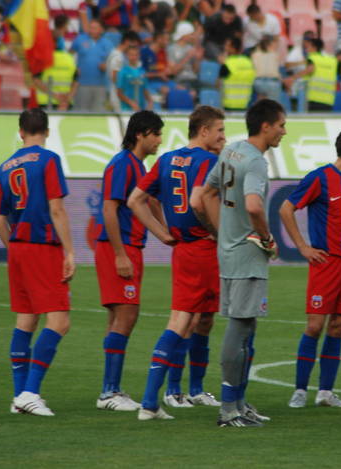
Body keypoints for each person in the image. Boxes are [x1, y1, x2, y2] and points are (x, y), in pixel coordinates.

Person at [128, 106, 226, 419]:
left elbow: (135, 200)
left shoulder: (166, 159)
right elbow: (199, 202)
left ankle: (172, 395)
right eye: (219, 130)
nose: (223, 136)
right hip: (202, 249)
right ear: (205, 131)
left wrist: (163, 235)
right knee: (183, 322)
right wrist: (217, 233)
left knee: (193, 320)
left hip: (183, 249)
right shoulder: (210, 161)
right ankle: (154, 399)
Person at [201, 99, 287, 427]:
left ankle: (238, 403)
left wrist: (223, 233)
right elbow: (253, 206)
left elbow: (203, 196)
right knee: (239, 329)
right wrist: (266, 239)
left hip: (230, 252)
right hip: (248, 255)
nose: (284, 131)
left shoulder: (231, 149)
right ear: (266, 127)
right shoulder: (256, 163)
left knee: (246, 327)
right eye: (281, 125)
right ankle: (227, 409)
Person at [0, 108, 75, 417]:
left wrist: (13, 247)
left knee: (26, 320)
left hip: (18, 248)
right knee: (59, 321)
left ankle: (18, 396)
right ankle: (30, 392)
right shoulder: (49, 160)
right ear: (47, 131)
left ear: (20, 132)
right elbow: (57, 209)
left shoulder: (5, 166)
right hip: (43, 246)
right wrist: (69, 251)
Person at [280, 128, 341, 409]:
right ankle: (300, 390)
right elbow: (285, 209)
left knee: (339, 327)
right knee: (315, 325)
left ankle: (326, 392)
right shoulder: (319, 178)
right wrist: (303, 247)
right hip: (326, 263)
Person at [93, 110, 164, 412]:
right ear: (141, 134)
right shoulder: (123, 164)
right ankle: (109, 392)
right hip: (118, 248)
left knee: (119, 317)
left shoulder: (138, 166)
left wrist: (168, 233)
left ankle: (111, 390)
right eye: (156, 134)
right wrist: (120, 253)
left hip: (131, 247)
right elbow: (109, 209)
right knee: (127, 315)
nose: (160, 140)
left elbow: (153, 202)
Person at [283, 38, 338, 111]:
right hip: (329, 100)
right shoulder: (332, 60)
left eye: (308, 47)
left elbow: (310, 69)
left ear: (314, 48)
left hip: (314, 98)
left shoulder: (313, 58)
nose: (306, 50)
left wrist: (292, 78)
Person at [71, 19, 114, 111]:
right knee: (81, 113)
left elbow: (112, 63)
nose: (91, 30)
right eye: (90, 27)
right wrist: (74, 67)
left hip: (100, 85)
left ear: (101, 30)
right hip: (82, 84)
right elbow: (70, 54)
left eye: (94, 28)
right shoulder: (80, 39)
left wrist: (106, 67)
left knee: (98, 113)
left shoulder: (108, 44)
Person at [32, 45, 79, 111]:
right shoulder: (70, 58)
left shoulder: (44, 58)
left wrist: (54, 95)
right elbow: (76, 81)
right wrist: (68, 97)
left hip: (45, 101)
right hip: (65, 102)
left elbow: (35, 80)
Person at [107, 30, 141, 112]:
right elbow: (115, 78)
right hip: (119, 96)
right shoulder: (118, 57)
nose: (134, 48)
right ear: (127, 42)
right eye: (134, 45)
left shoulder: (117, 54)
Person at [219, 36, 256, 111]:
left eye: (227, 45)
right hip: (246, 104)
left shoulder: (227, 63)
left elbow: (218, 83)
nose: (225, 48)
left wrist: (222, 63)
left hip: (229, 105)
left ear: (233, 47)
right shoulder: (249, 62)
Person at [168, 21, 202, 93]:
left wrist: (197, 59)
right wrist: (188, 57)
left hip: (193, 80)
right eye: (190, 34)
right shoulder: (171, 49)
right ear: (184, 35)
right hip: (180, 80)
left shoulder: (190, 48)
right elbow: (173, 71)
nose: (192, 37)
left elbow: (196, 70)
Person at [116, 45, 153, 111]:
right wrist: (131, 103)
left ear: (139, 56)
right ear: (127, 55)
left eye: (136, 55)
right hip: (127, 109)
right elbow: (119, 93)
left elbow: (145, 89)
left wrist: (150, 102)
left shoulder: (142, 71)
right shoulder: (123, 71)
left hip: (141, 108)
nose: (134, 57)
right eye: (131, 55)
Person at [251, 35, 283, 101]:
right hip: (272, 82)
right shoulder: (275, 54)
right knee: (272, 105)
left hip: (258, 82)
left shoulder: (255, 54)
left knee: (260, 103)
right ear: (270, 43)